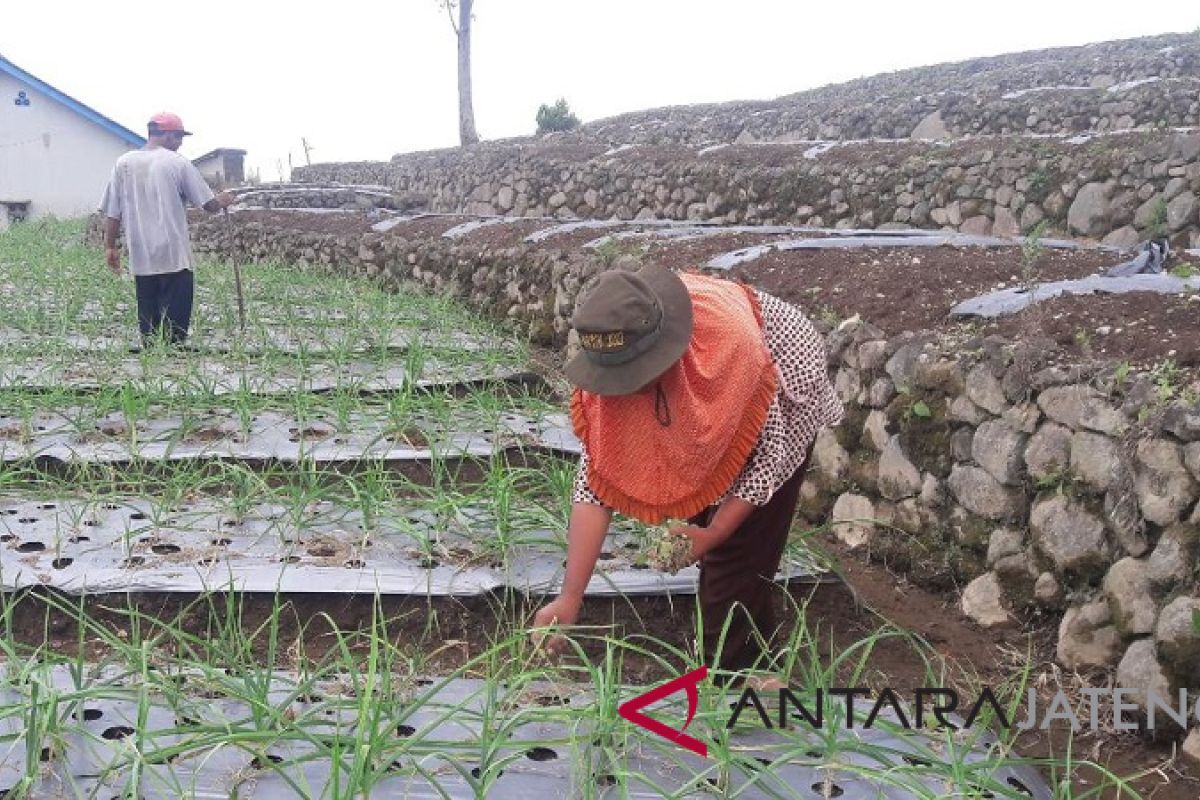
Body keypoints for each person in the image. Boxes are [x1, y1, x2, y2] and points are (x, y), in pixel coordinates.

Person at [532, 263, 843, 675]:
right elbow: (597, 480)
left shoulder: (732, 351)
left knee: (738, 549)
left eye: (634, 377)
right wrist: (570, 597)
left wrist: (714, 532)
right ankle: (752, 635)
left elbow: (766, 458)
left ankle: (735, 678)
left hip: (782, 372)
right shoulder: (610, 366)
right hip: (704, 378)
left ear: (663, 353)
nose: (625, 389)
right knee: (703, 514)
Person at [100, 112, 235, 345]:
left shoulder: (123, 164)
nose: (181, 142)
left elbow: (112, 211)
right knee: (175, 334)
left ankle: (151, 371)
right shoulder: (177, 162)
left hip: (142, 258)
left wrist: (110, 247)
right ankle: (173, 368)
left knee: (149, 332)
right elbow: (209, 205)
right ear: (168, 135)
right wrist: (223, 199)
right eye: (179, 136)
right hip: (174, 257)